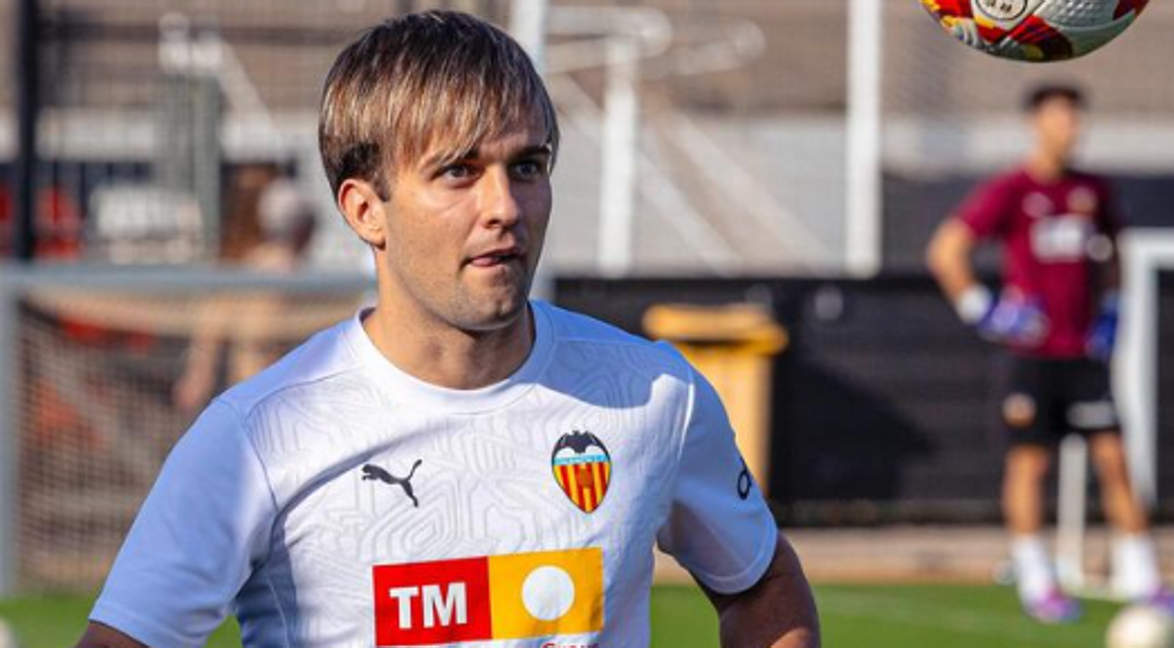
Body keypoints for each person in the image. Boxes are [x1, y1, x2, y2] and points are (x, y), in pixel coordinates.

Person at [76, 11, 820, 648]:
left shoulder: (653, 394)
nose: (505, 205)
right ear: (365, 210)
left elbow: (761, 584)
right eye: (459, 172)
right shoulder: (257, 436)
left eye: (526, 166)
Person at [927, 83, 1174, 624]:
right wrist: (985, 309)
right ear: (1036, 124)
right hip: (1030, 357)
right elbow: (946, 249)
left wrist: (1113, 308)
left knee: (1115, 459)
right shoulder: (1011, 189)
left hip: (1083, 355)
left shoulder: (1092, 190)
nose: (1072, 127)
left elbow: (1116, 250)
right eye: (1060, 117)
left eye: (1076, 117)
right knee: (1030, 463)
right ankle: (1037, 579)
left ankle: (1144, 577)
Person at [173, 164, 319, 413]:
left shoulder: (257, 264)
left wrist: (199, 372)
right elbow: (213, 323)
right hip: (263, 389)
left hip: (265, 386)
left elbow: (212, 323)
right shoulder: (269, 264)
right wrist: (199, 372)